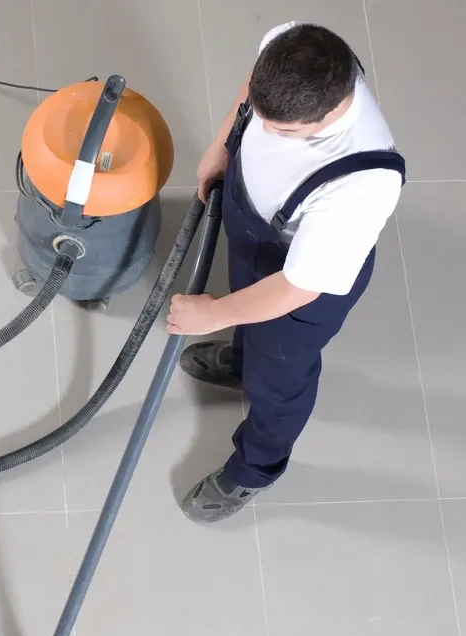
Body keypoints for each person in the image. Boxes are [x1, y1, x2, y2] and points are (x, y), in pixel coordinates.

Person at [166, 21, 405, 523]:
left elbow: (298, 287)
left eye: (284, 132)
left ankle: (254, 469)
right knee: (245, 312)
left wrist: (211, 315)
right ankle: (241, 361)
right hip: (258, 225)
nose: (267, 131)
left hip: (302, 283)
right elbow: (253, 89)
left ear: (330, 112)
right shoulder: (296, 44)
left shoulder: (362, 183)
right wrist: (223, 148)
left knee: (280, 384)